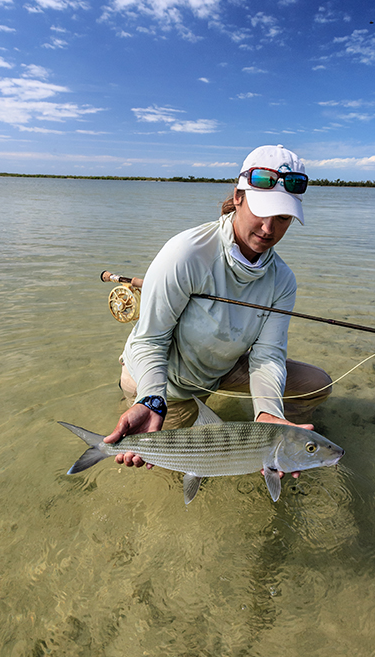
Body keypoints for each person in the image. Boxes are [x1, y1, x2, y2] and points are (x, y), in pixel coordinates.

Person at [105, 144, 332, 473]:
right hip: (168, 381)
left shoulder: (282, 280)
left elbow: (267, 355)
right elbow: (148, 341)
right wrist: (152, 398)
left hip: (221, 366)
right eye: (261, 211)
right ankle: (137, 401)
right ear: (238, 197)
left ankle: (287, 451)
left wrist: (269, 415)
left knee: (316, 383)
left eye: (282, 217)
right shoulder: (186, 254)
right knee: (179, 470)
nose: (269, 229)